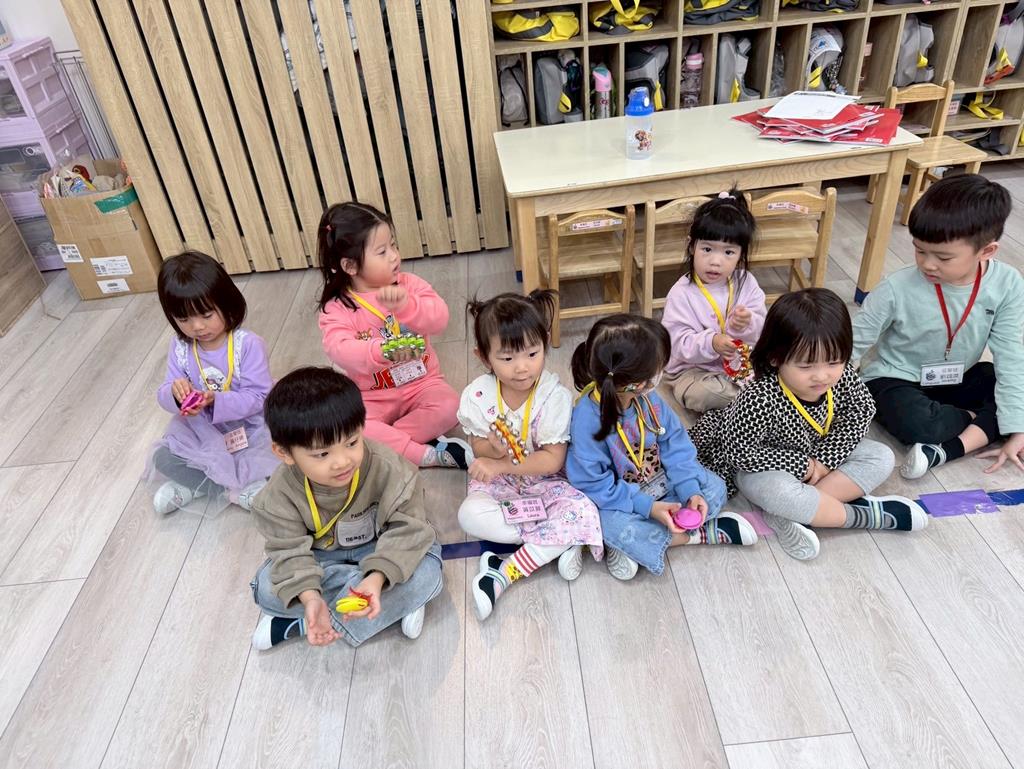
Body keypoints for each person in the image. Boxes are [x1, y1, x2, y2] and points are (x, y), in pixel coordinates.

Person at [691, 288, 927, 561]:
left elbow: (862, 411)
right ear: (775, 357)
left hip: (816, 452)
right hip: (762, 467)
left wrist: (823, 461)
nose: (822, 376)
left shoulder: (842, 376)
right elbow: (740, 454)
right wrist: (803, 465)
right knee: (778, 491)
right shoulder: (760, 396)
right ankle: (862, 517)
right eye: (806, 366)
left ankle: (793, 513)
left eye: (834, 361)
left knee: (881, 456)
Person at [249, 367, 443, 649]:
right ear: (284, 452)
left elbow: (409, 529)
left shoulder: (391, 469)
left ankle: (305, 621)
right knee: (266, 587)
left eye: (352, 442)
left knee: (427, 570)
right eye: (322, 454)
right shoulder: (275, 496)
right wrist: (310, 597)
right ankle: (387, 606)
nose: (342, 461)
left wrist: (377, 578)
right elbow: (289, 552)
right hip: (321, 558)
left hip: (380, 547)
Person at [852, 174, 1024, 477]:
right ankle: (980, 426)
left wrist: (1018, 428)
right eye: (920, 250)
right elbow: (853, 343)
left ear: (986, 251)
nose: (927, 264)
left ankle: (949, 448)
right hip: (897, 377)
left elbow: (1011, 354)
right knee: (919, 424)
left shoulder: (1007, 283)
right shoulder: (896, 288)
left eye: (943, 257)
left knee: (1015, 390)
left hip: (961, 376)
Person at [566, 315, 757, 581]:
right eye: (657, 368)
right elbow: (595, 485)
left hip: (663, 482)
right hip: (623, 497)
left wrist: (690, 490)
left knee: (715, 487)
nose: (660, 373)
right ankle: (697, 535)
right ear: (635, 382)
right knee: (608, 525)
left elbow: (676, 444)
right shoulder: (586, 419)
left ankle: (643, 544)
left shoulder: (649, 399)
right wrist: (648, 507)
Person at [457, 291, 604, 621]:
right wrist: (491, 450)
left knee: (582, 511)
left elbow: (552, 460)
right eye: (507, 358)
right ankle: (558, 541)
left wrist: (500, 464)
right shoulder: (478, 395)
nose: (522, 368)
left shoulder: (553, 396)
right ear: (484, 357)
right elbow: (477, 446)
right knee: (469, 515)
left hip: (545, 482)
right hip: (500, 486)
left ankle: (505, 570)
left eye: (532, 353)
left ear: (545, 343)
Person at [316, 201, 471, 469]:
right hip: (373, 396)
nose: (394, 256)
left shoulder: (409, 285)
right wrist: (382, 351)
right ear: (350, 266)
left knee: (452, 406)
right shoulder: (338, 308)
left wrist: (407, 306)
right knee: (354, 428)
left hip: (423, 384)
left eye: (393, 245)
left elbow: (440, 319)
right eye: (382, 251)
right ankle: (424, 454)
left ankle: (389, 446)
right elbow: (338, 348)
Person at [148, 251, 277, 515]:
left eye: (206, 315)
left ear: (227, 303)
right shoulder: (181, 347)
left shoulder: (247, 344)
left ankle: (199, 486)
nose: (197, 326)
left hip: (250, 426)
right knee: (162, 458)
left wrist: (216, 400)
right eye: (183, 319)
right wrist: (175, 394)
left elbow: (259, 397)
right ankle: (227, 491)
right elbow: (164, 392)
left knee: (279, 452)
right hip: (203, 429)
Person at [662, 190, 766, 411]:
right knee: (704, 394)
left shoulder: (746, 282)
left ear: (741, 255)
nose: (715, 261)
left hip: (742, 362)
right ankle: (753, 397)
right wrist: (711, 343)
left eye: (728, 252)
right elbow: (676, 343)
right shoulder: (681, 293)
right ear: (692, 246)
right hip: (693, 370)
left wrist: (748, 323)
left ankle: (748, 395)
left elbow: (763, 331)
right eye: (707, 249)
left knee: (784, 362)